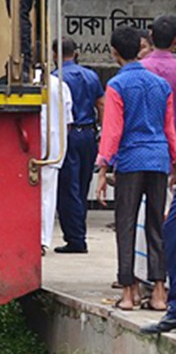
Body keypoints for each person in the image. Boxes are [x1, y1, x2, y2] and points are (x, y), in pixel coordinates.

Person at [95, 26, 176, 312]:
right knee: (156, 226)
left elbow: (112, 131)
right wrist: (174, 161)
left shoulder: (117, 85)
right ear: (141, 49)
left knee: (126, 225)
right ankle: (159, 293)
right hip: (158, 159)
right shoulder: (161, 85)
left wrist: (103, 166)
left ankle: (129, 293)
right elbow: (169, 129)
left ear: (114, 52)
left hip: (130, 161)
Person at [54, 38, 105, 254]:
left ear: (55, 54)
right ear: (75, 52)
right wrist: (101, 130)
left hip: (69, 134)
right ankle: (79, 231)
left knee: (68, 188)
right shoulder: (91, 75)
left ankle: (76, 239)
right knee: (83, 186)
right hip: (89, 134)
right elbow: (101, 104)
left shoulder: (56, 78)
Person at [41, 70, 73, 254]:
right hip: (53, 146)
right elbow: (68, 121)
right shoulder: (60, 85)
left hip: (28, 144)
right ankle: (42, 240)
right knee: (47, 196)